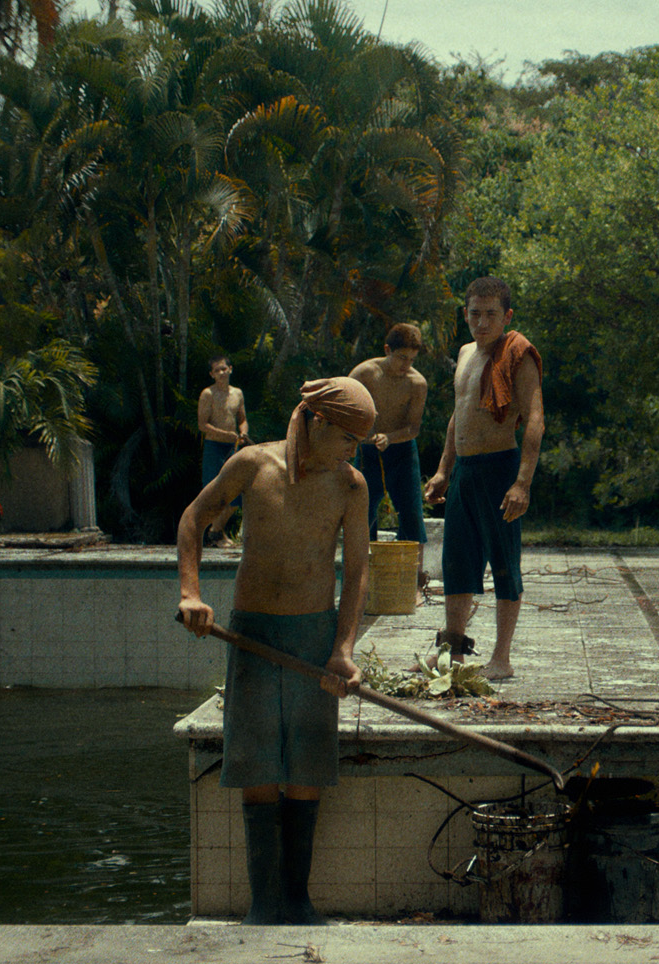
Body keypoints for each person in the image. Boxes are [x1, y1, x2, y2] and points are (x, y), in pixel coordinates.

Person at [176, 376, 375, 925]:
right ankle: (264, 903)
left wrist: (343, 649)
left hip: (314, 640)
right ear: (318, 422)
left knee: (306, 768)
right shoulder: (252, 465)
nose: (353, 451)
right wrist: (191, 593)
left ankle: (298, 900)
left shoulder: (351, 485)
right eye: (348, 438)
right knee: (258, 767)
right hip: (254, 636)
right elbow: (193, 518)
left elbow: (358, 572)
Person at [421, 277, 544, 681]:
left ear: (507, 316)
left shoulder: (519, 354)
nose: (482, 322)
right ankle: (451, 650)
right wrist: (443, 470)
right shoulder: (465, 353)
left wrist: (522, 483)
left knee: (504, 564)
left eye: (492, 314)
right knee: (456, 563)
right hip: (465, 471)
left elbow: (535, 419)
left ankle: (501, 658)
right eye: (475, 314)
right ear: (465, 314)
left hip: (499, 469)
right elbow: (459, 413)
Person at [349, 323, 429, 544]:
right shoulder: (364, 373)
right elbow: (346, 410)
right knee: (361, 511)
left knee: (411, 512)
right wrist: (363, 433)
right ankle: (360, 563)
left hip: (402, 451)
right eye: (402, 357)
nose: (406, 365)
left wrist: (390, 438)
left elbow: (414, 428)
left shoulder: (417, 383)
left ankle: (415, 565)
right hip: (368, 450)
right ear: (387, 350)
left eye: (412, 360)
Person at [197, 355, 249, 548]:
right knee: (213, 493)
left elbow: (242, 419)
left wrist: (243, 432)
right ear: (212, 374)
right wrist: (225, 434)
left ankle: (215, 531)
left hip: (232, 448)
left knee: (237, 495)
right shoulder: (207, 394)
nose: (221, 373)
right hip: (214, 447)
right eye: (217, 370)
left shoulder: (238, 393)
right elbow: (203, 425)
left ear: (230, 369)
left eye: (223, 369)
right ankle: (216, 534)